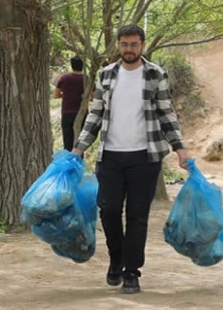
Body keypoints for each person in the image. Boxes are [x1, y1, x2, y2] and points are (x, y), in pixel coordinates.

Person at [72, 24, 190, 294]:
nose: (129, 49)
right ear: (118, 45)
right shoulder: (106, 75)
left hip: (145, 158)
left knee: (138, 216)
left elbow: (166, 114)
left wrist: (180, 148)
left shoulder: (155, 74)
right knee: (109, 209)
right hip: (110, 156)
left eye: (134, 44)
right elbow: (95, 114)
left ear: (142, 45)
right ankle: (116, 259)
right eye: (124, 44)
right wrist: (79, 148)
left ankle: (131, 271)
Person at [53, 56, 86, 152]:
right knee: (80, 145)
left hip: (67, 113)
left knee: (67, 143)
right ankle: (79, 165)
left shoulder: (64, 78)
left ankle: (68, 165)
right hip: (82, 113)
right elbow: (92, 96)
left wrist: (66, 94)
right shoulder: (86, 79)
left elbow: (55, 95)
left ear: (71, 66)